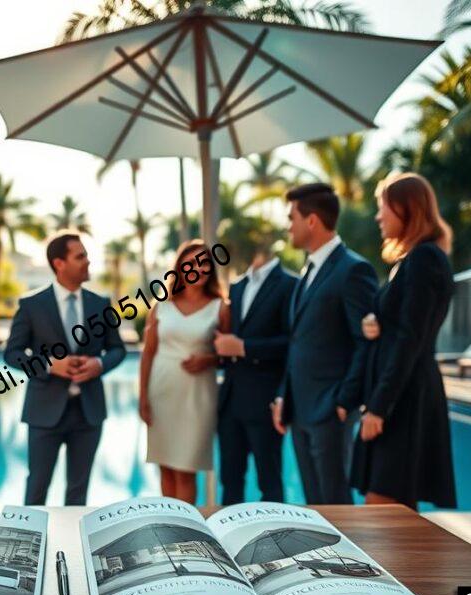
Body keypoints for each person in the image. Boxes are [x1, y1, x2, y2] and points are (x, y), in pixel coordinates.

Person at [353, 172, 456, 510]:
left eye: (384, 207)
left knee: (381, 508)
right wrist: (376, 322)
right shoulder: (411, 261)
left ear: (406, 209)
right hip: (403, 394)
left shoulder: (424, 260)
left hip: (404, 399)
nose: (378, 216)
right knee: (399, 509)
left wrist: (380, 407)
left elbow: (411, 337)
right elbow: (403, 324)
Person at [3, 231, 126, 506]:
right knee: (37, 488)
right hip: (44, 412)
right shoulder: (31, 305)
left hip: (89, 413)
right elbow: (11, 353)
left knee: (78, 493)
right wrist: (48, 365)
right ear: (59, 263)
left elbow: (118, 349)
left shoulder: (100, 304)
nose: (88, 261)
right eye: (80, 256)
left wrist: (99, 364)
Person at [272, 182, 377, 505]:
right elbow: (298, 342)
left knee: (336, 505)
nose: (288, 226)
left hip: (331, 413)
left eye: (292, 218)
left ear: (312, 220)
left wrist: (345, 401)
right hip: (301, 410)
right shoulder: (308, 271)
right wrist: (283, 396)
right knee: (315, 506)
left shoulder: (353, 270)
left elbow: (366, 342)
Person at [139, 239, 227, 504]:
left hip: (197, 397)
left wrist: (209, 360)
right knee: (165, 465)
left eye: (203, 264)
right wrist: (143, 396)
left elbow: (229, 356)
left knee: (186, 470)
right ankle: (171, 524)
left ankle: (185, 532)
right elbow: (148, 352)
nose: (197, 270)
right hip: (161, 392)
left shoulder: (221, 307)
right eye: (190, 264)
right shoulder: (160, 306)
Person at [212, 246, 297, 505]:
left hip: (265, 401)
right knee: (230, 482)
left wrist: (244, 347)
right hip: (230, 402)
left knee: (270, 483)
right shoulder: (236, 287)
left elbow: (292, 343)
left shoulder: (291, 284)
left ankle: (275, 543)